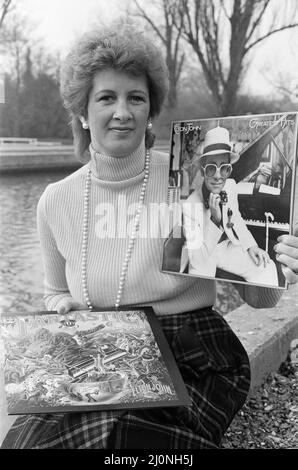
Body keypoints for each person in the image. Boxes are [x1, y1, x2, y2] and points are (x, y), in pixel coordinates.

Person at [2, 23, 298, 450]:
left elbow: (259, 299)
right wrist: (63, 308)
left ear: (150, 110)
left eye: (135, 98)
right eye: (106, 97)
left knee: (124, 436)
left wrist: (278, 263)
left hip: (195, 350)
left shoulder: (191, 181)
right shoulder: (55, 200)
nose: (122, 111)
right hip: (99, 352)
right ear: (82, 113)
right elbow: (54, 292)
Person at [181, 126, 279, 287]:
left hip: (227, 245)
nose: (219, 176)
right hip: (204, 253)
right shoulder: (190, 205)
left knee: (267, 266)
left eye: (224, 168)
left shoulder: (231, 186)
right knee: (200, 288)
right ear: (202, 170)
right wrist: (214, 219)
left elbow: (236, 217)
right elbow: (198, 259)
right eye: (211, 168)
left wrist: (251, 245)